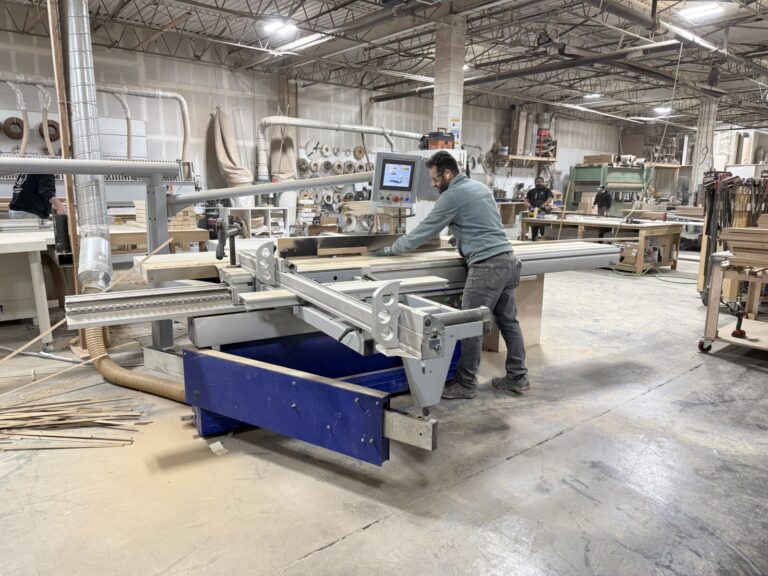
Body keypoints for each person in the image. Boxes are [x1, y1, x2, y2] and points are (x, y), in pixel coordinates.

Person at [372, 151, 529, 400]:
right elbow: (485, 223)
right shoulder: (481, 189)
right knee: (509, 323)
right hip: (508, 261)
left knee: (470, 326)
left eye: (435, 178)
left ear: (447, 174)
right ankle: (518, 377)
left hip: (486, 267)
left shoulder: (451, 196)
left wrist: (393, 249)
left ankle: (466, 384)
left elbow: (425, 230)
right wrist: (462, 237)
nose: (433, 184)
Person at [524, 177, 553, 241]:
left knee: (543, 228)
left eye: (540, 182)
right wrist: (530, 206)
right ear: (535, 183)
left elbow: (549, 199)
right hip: (533, 211)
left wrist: (542, 206)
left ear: (543, 182)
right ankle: (534, 239)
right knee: (534, 228)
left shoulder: (547, 190)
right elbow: (525, 201)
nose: (538, 183)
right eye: (537, 182)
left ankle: (543, 240)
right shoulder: (531, 191)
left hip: (543, 211)